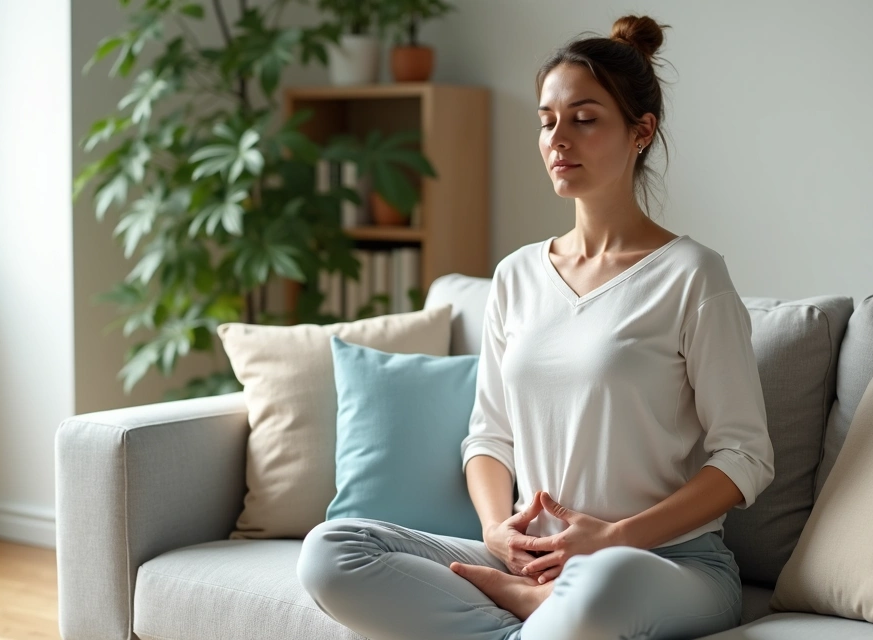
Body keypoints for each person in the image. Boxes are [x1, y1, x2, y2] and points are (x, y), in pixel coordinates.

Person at [297, 14, 775, 640]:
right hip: (530, 558)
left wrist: (613, 538)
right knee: (332, 550)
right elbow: (488, 437)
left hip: (662, 564)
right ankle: (532, 611)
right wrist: (496, 532)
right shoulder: (516, 275)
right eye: (547, 121)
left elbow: (745, 456)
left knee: (600, 586)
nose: (558, 139)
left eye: (584, 119)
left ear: (641, 131)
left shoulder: (692, 275)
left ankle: (539, 609)